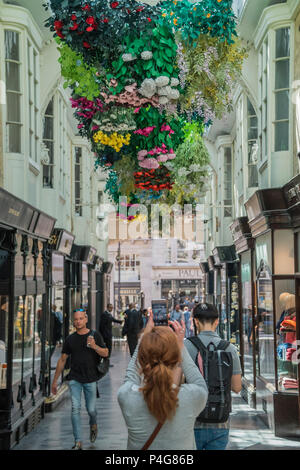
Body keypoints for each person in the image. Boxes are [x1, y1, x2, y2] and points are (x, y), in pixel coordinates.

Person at [117, 312, 208, 450]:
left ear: (143, 360)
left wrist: (143, 339)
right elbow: (200, 383)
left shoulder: (126, 397)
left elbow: (131, 374)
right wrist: (181, 346)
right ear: (176, 359)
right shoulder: (192, 397)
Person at [185, 303, 242, 451]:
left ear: (195, 322)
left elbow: (177, 382)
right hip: (220, 421)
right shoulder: (229, 348)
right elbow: (237, 387)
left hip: (192, 419)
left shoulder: (186, 346)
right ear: (217, 321)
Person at [51, 309, 109, 450]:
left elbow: (106, 353)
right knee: (75, 409)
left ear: (86, 319)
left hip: (90, 378)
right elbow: (62, 360)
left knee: (91, 410)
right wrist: (54, 382)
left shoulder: (95, 335)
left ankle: (93, 424)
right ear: (73, 321)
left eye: (81, 318)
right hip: (75, 379)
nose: (78, 321)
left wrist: (94, 346)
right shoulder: (70, 339)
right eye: (76, 319)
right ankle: (78, 441)